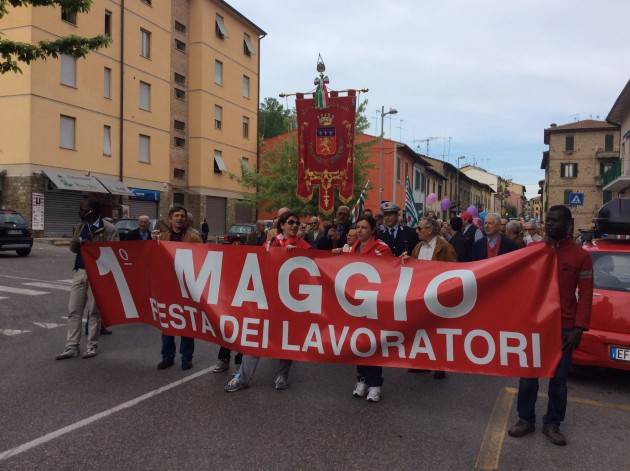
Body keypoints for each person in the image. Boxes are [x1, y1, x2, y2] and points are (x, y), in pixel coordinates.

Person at [508, 205, 593, 446]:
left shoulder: (581, 256)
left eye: (556, 221)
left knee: (559, 380)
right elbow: (517, 284)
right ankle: (525, 419)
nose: (550, 225)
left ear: (568, 225)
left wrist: (579, 328)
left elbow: (586, 295)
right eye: (548, 220)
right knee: (528, 376)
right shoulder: (532, 250)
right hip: (535, 325)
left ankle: (553, 423)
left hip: (564, 328)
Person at [225, 211, 311, 392]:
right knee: (255, 337)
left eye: (297, 223)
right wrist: (279, 253)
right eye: (291, 222)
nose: (295, 225)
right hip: (267, 300)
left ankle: (282, 376)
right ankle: (243, 377)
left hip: (290, 303)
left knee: (287, 341)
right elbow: (261, 264)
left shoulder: (305, 246)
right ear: (282, 225)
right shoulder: (271, 243)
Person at [56, 198, 119, 360]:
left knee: (93, 312)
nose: (81, 211)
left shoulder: (108, 229)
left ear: (93, 210)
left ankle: (92, 345)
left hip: (98, 274)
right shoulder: (81, 226)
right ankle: (71, 346)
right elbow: (73, 249)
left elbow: (114, 253)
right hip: (80, 271)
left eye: (83, 209)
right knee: (74, 310)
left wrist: (94, 244)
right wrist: (76, 242)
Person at [343, 215, 392, 402]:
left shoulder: (381, 248)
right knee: (359, 342)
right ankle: (362, 379)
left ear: (372, 230)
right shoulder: (354, 248)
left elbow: (388, 272)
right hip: (355, 303)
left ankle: (375, 384)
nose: (360, 230)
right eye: (358, 227)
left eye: (364, 227)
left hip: (374, 303)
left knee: (372, 343)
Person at [403, 217, 456, 379]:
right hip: (421, 293)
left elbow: (453, 271)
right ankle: (423, 363)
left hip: (438, 294)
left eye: (420, 229)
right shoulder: (418, 247)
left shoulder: (445, 247)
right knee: (422, 328)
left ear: (430, 230)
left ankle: (440, 365)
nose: (417, 231)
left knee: (438, 330)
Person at [152, 206, 202, 370]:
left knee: (187, 321)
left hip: (187, 285)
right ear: (170, 219)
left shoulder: (194, 238)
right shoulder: (163, 236)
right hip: (167, 285)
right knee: (167, 321)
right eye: (176, 216)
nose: (180, 218)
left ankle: (186, 357)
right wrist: (153, 242)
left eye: (182, 216)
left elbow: (202, 259)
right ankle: (167, 356)